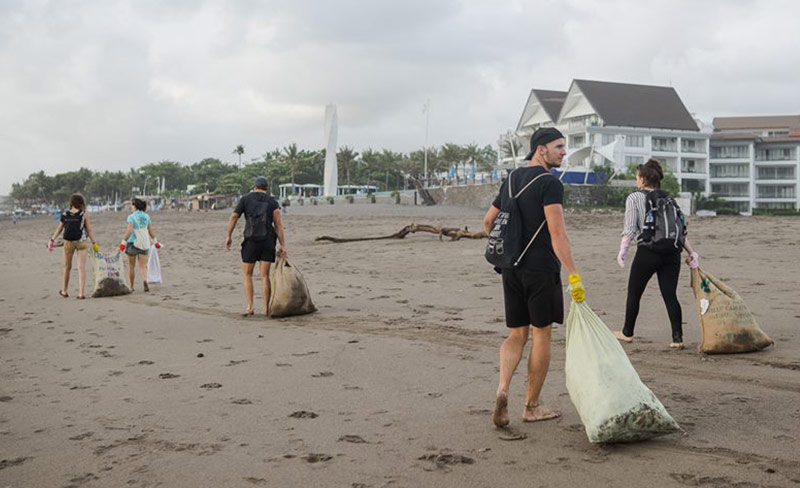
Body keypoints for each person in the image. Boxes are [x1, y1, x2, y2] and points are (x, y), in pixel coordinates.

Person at [482, 127, 586, 428]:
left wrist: (511, 245)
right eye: (559, 147)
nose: (564, 152)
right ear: (541, 149)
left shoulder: (512, 178)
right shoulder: (549, 183)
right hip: (540, 269)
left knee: (516, 334)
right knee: (541, 335)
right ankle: (531, 406)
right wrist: (574, 275)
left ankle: (502, 389)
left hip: (511, 268)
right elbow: (557, 232)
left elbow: (489, 222)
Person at [614, 159, 700, 350]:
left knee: (635, 292)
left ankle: (627, 333)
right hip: (672, 253)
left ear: (643, 179)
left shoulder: (634, 198)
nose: (636, 181)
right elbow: (680, 230)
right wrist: (692, 253)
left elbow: (629, 229)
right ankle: (677, 338)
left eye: (637, 178)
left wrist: (623, 251)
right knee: (670, 294)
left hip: (648, 252)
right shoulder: (669, 199)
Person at [225, 176, 287, 316]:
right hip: (267, 241)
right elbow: (278, 225)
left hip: (251, 241)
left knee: (247, 274)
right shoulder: (272, 201)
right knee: (264, 276)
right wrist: (283, 245)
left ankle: (250, 307)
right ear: (266, 188)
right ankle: (266, 308)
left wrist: (229, 236)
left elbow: (234, 217)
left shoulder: (245, 199)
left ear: (255, 186)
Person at [48, 193, 99, 299]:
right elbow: (89, 230)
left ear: (71, 203)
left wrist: (52, 239)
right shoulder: (84, 214)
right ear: (81, 203)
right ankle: (81, 293)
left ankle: (64, 291)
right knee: (81, 268)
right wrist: (94, 243)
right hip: (81, 243)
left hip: (68, 243)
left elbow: (59, 229)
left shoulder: (65, 214)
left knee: (67, 267)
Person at [120, 198, 157, 293]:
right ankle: (145, 281)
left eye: (132, 205)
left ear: (135, 206)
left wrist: (123, 242)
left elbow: (129, 231)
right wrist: (155, 242)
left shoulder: (131, 217)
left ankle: (131, 286)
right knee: (142, 266)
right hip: (144, 243)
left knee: (131, 266)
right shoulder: (146, 216)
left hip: (132, 243)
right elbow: (150, 230)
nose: (131, 207)